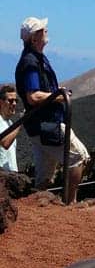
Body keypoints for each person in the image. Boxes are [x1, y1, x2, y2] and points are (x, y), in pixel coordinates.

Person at [16, 17, 89, 203]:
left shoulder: (35, 59)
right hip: (48, 125)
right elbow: (33, 96)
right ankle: (70, 201)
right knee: (79, 157)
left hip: (39, 127)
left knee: (44, 176)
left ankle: (37, 207)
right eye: (42, 29)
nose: (46, 30)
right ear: (34, 38)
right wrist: (59, 96)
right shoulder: (31, 63)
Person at [0, 85, 20, 172]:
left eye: (16, 100)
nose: (14, 103)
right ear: (1, 102)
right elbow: (5, 143)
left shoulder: (10, 123)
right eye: (11, 101)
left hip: (11, 173)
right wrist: (20, 122)